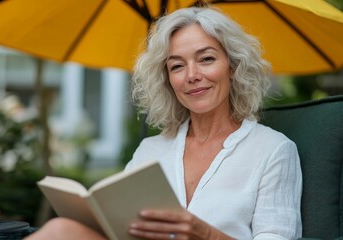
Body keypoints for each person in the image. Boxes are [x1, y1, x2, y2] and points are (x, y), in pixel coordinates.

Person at [26, 6, 302, 240]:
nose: (192, 75)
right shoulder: (150, 149)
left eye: (206, 59)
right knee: (59, 229)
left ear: (232, 67)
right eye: (177, 66)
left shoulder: (273, 150)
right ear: (168, 80)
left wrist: (205, 234)